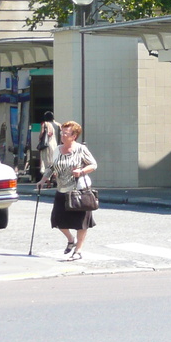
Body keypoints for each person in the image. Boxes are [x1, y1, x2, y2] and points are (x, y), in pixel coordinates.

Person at [42, 121, 98, 260]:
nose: (62, 135)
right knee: (57, 220)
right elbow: (51, 166)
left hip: (79, 190)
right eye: (62, 132)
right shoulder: (57, 149)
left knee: (81, 223)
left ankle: (78, 251)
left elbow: (93, 164)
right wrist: (43, 179)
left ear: (74, 136)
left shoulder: (80, 149)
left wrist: (81, 171)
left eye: (66, 133)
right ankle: (70, 240)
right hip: (62, 190)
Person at [37, 111, 60, 180]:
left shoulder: (45, 124)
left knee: (47, 163)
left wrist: (40, 138)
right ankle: (55, 178)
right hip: (57, 146)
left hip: (48, 145)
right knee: (55, 162)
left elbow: (41, 134)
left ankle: (48, 182)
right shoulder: (59, 124)